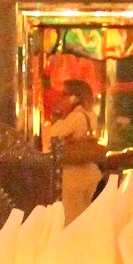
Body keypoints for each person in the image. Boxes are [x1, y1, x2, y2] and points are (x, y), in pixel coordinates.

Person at [48, 75, 103, 222]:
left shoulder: (76, 117)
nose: (61, 98)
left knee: (72, 218)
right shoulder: (90, 115)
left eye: (64, 94)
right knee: (84, 215)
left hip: (74, 175)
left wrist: (57, 117)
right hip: (89, 172)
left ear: (75, 97)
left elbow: (54, 135)